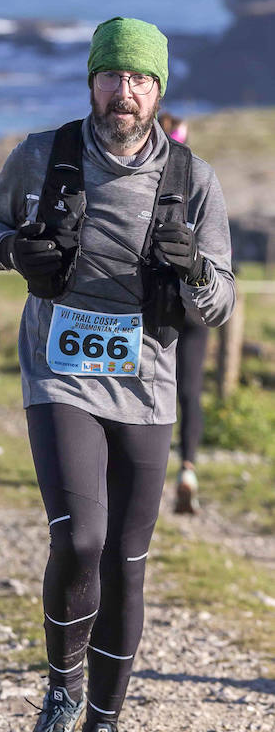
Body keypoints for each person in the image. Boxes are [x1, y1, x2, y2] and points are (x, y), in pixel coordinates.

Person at [0, 17, 234, 732]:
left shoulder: (193, 180)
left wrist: (192, 277)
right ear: (92, 81)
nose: (126, 93)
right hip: (60, 372)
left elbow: (218, 303)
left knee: (126, 561)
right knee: (80, 538)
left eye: (141, 80)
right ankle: (61, 692)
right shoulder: (43, 156)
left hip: (147, 381)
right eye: (113, 77)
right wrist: (14, 250)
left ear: (159, 90)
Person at [159, 114, 208, 514]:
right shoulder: (203, 187)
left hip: (159, 307)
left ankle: (144, 471)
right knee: (188, 394)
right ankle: (187, 469)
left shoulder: (152, 186)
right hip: (190, 310)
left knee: (151, 387)